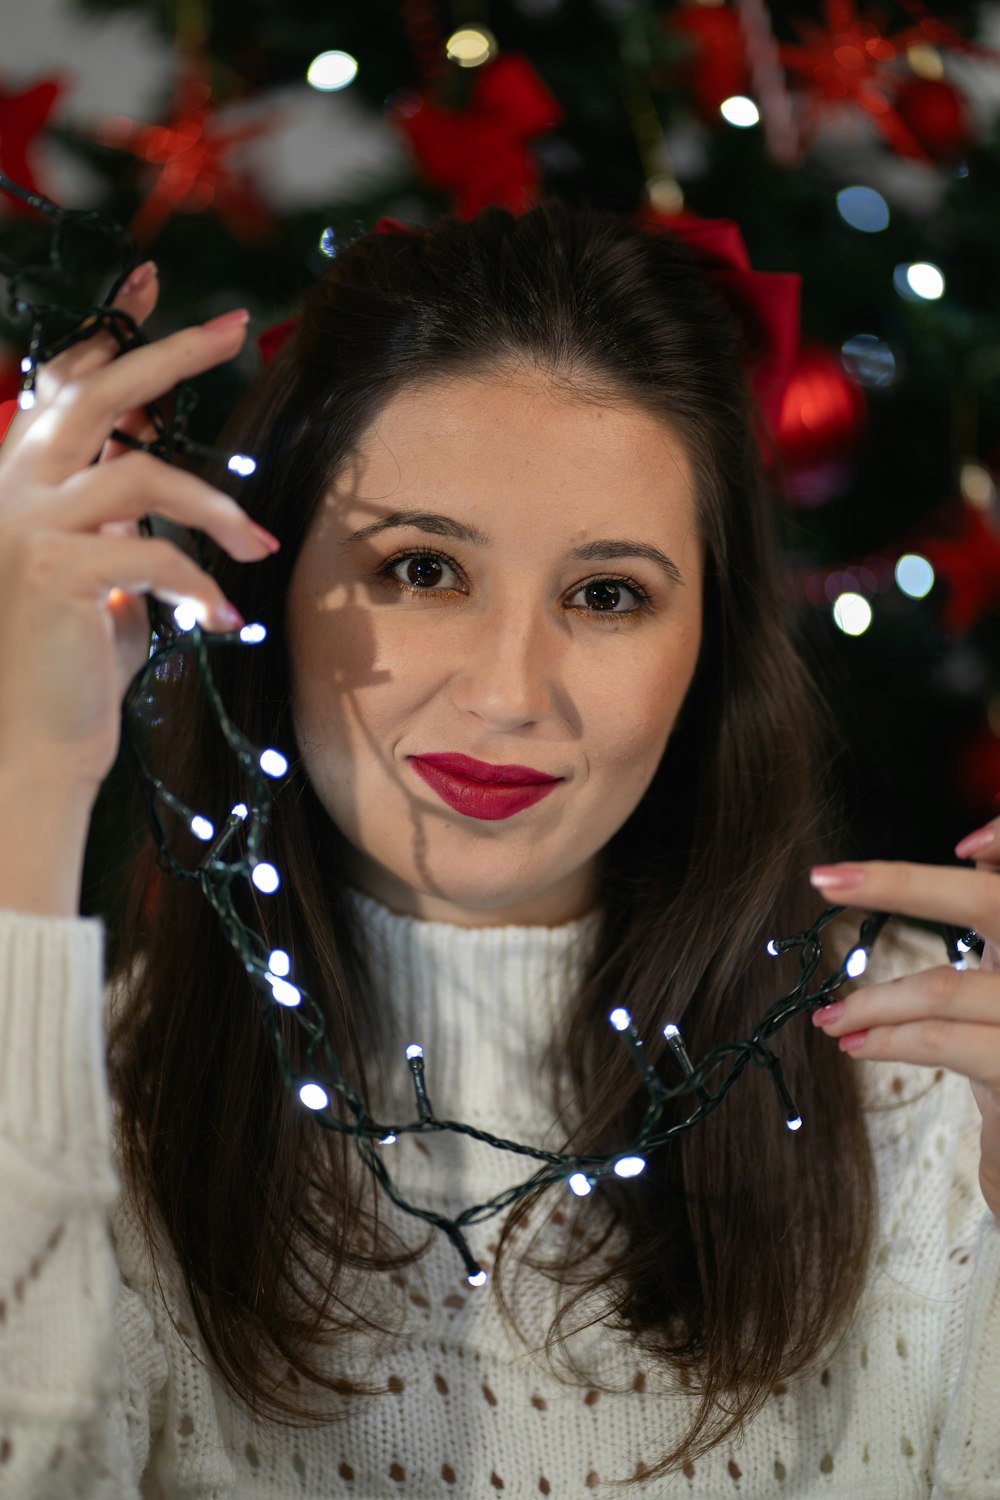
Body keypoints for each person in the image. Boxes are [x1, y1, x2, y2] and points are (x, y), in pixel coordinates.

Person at [0, 201, 996, 1500]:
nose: (509, 693)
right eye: (420, 570)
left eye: (606, 595)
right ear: (265, 598)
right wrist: (28, 779)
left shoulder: (932, 1098)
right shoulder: (77, 1116)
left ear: (710, 655)